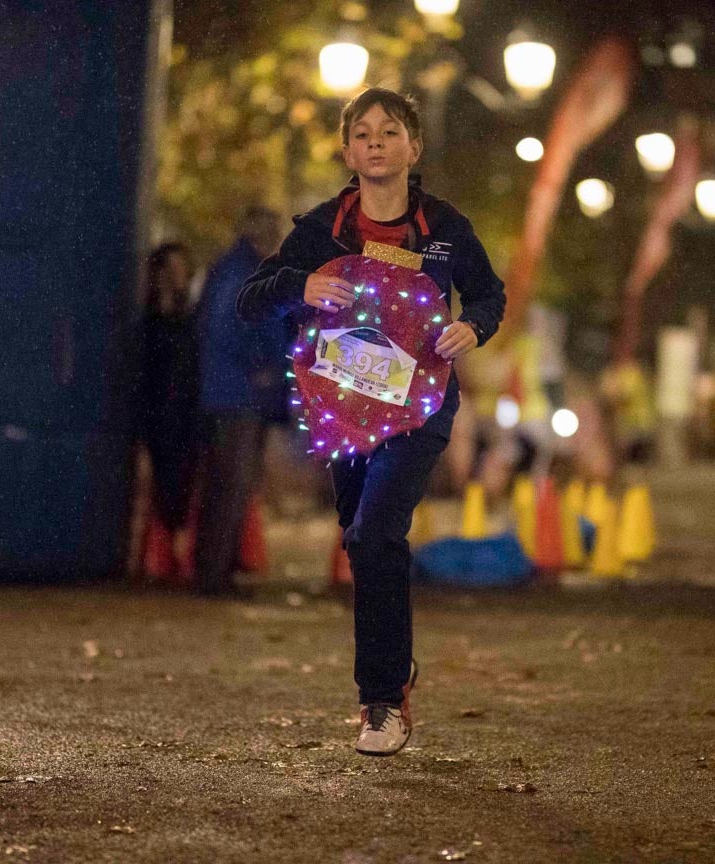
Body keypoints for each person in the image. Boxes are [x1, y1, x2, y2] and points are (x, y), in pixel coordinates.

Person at [237, 88, 505, 756]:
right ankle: (396, 664)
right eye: (363, 133)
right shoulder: (322, 228)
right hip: (342, 410)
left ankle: (381, 702)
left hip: (419, 407)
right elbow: (250, 302)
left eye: (390, 131)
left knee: (377, 530)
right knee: (362, 540)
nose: (376, 142)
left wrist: (471, 326)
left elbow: (490, 295)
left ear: (414, 147)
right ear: (348, 149)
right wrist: (299, 288)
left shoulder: (445, 228)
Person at [193, 206, 292, 596]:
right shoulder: (244, 273)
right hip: (239, 395)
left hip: (233, 393)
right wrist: (261, 366)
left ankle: (217, 570)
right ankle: (214, 576)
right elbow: (232, 327)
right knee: (231, 485)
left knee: (229, 485)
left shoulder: (233, 270)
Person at [134, 242, 200, 583]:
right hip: (161, 418)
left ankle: (169, 560)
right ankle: (157, 561)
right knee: (163, 488)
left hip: (184, 418)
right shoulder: (151, 323)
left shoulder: (188, 318)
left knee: (180, 489)